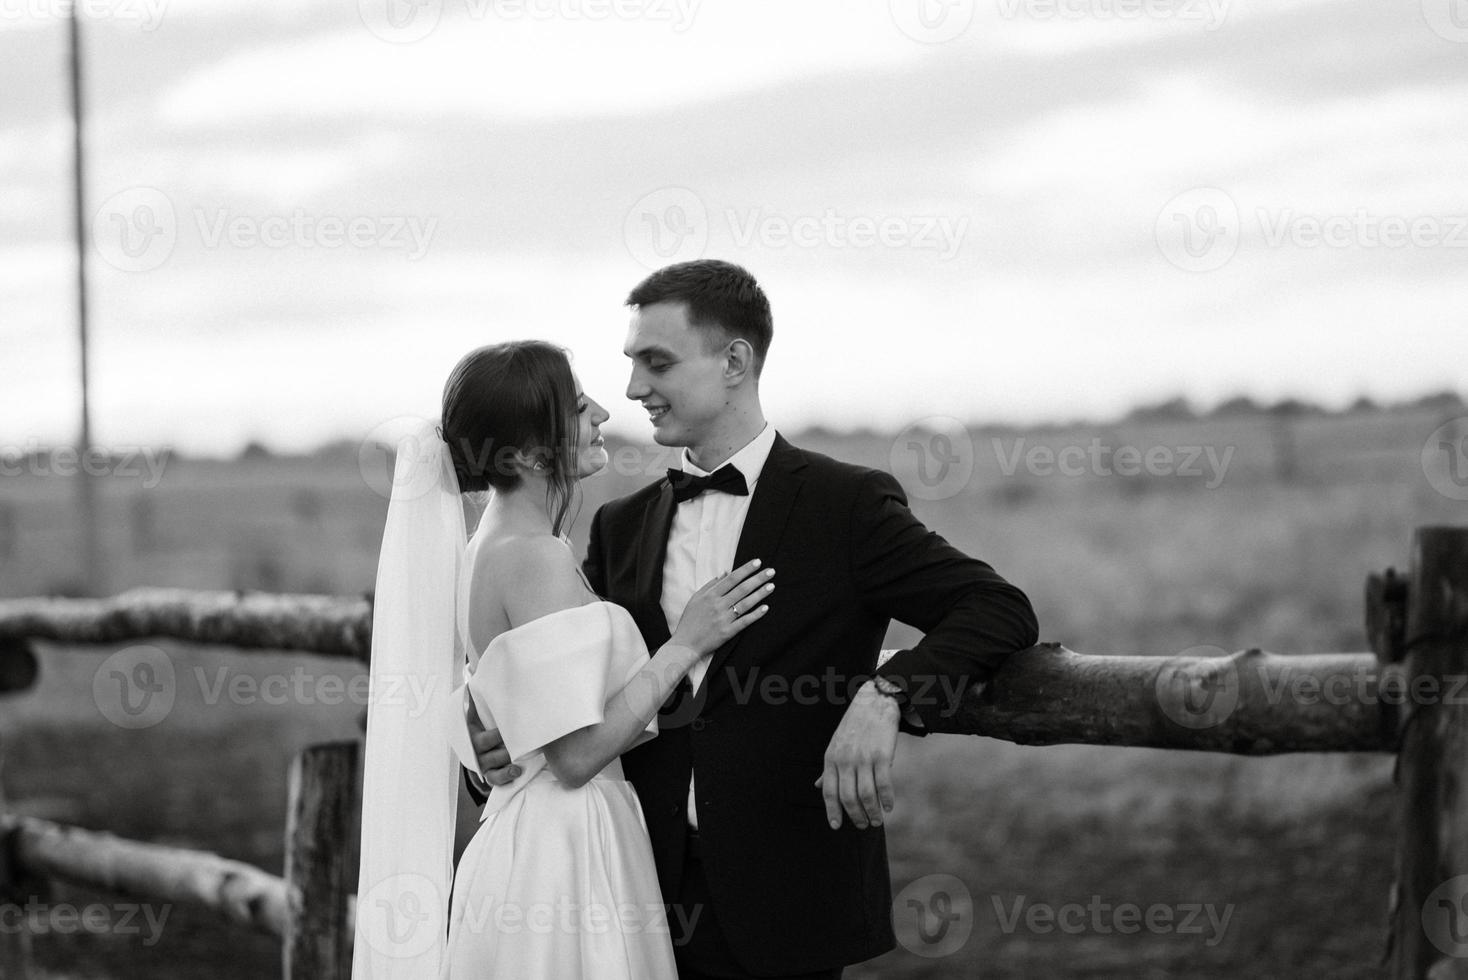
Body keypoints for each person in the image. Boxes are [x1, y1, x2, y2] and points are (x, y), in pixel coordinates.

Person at [467, 261, 1039, 978]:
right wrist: (492, 755)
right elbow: (574, 699)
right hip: (640, 892)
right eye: (632, 364)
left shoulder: (846, 506)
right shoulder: (622, 525)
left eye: (658, 362)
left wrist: (886, 694)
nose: (635, 388)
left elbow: (995, 608)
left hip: (791, 900)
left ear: (734, 361)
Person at [351, 340, 775, 980]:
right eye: (578, 407)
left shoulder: (495, 544)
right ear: (523, 453)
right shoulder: (532, 557)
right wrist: (684, 645)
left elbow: (503, 707)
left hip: (542, 836)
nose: (603, 412)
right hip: (564, 850)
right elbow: (576, 757)